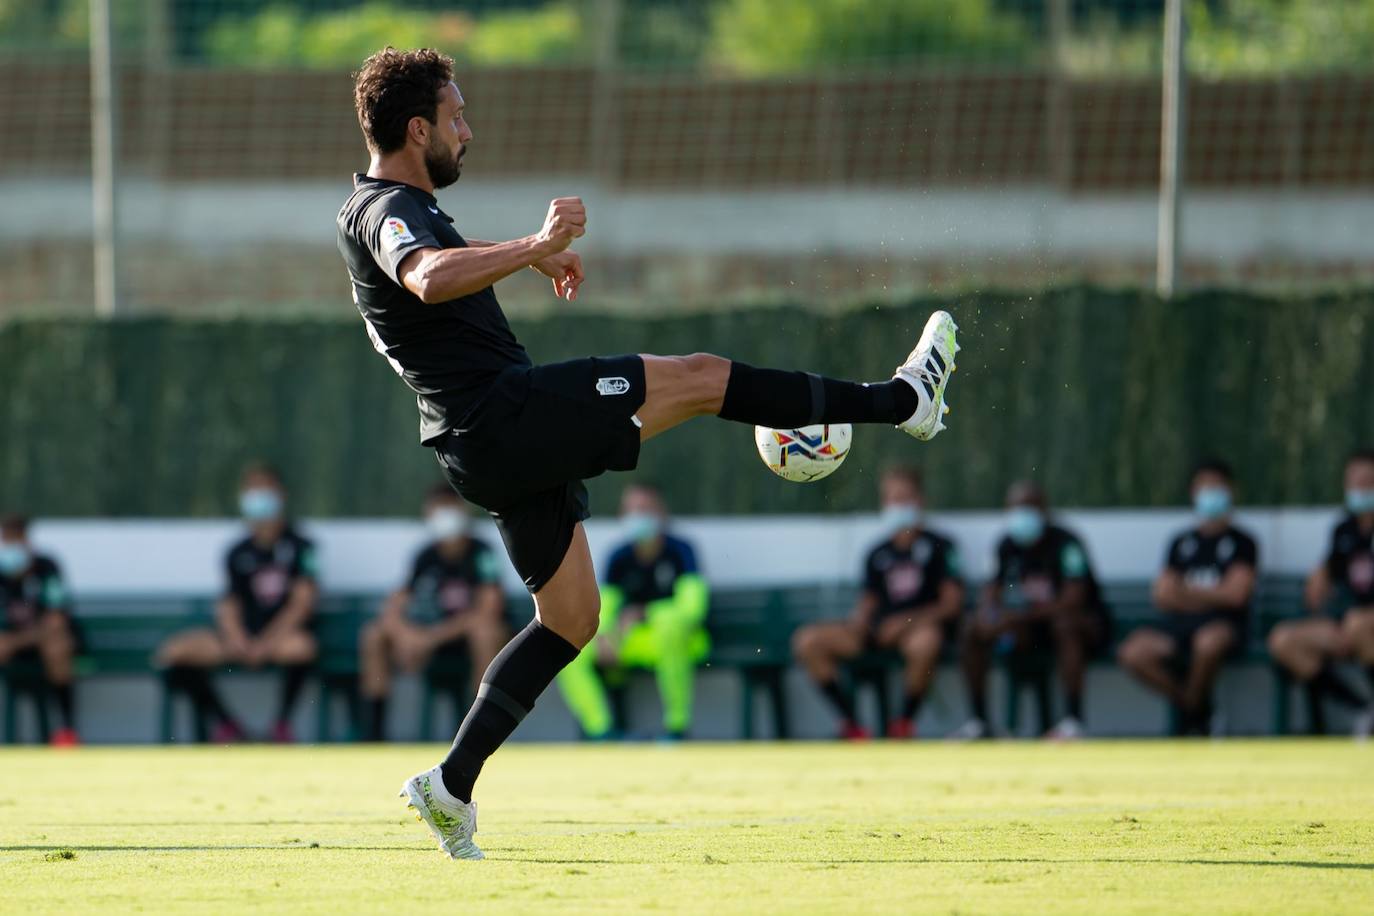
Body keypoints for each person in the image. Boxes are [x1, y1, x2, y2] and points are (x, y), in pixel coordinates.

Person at [337, 48, 958, 860]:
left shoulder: (392, 208)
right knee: (699, 377)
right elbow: (425, 275)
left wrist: (529, 255)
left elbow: (433, 257)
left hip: (479, 443)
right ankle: (903, 402)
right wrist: (535, 241)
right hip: (504, 416)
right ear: (418, 130)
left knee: (571, 619)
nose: (469, 131)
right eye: (457, 117)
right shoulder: (384, 208)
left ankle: (451, 785)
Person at [793, 467, 963, 740]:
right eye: (891, 499)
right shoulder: (877, 552)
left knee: (926, 643)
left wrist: (906, 622)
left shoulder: (941, 546)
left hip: (916, 630)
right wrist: (859, 621)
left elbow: (951, 605)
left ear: (919, 501)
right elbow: (868, 600)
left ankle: (903, 724)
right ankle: (852, 725)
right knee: (808, 641)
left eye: (904, 498)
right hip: (878, 630)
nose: (897, 506)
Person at [156, 465, 320, 743]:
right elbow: (228, 604)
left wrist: (265, 643)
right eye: (251, 490)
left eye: (264, 488)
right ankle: (226, 726)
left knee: (301, 648)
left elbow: (302, 604)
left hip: (280, 639)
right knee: (174, 653)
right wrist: (237, 639)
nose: (257, 496)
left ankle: (281, 726)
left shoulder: (303, 547)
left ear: (280, 494)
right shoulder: (236, 552)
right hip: (241, 639)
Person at [953, 482, 1108, 741]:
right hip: (1024, 629)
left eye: (1029, 507)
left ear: (1044, 510)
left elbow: (1073, 600)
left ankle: (1073, 721)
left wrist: (1018, 617)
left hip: (1077, 626)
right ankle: (978, 722)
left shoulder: (1066, 543)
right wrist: (990, 617)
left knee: (1065, 626)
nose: (1022, 514)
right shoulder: (1006, 545)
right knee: (972, 629)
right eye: (1016, 507)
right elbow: (991, 592)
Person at [556, 483, 709, 741]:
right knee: (568, 652)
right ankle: (601, 731)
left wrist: (644, 613)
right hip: (629, 639)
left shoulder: (682, 551)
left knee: (670, 626)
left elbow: (692, 609)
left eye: (645, 509)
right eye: (631, 510)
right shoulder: (619, 556)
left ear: (661, 512)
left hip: (682, 640)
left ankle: (677, 727)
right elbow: (605, 607)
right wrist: (605, 634)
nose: (638, 516)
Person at [1118, 459, 1258, 736]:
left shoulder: (1243, 542)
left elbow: (1236, 596)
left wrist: (1185, 592)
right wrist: (1213, 594)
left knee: (1207, 643)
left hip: (1224, 626)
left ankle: (1191, 715)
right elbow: (1162, 595)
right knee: (1133, 652)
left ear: (1230, 491)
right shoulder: (1180, 542)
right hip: (1179, 627)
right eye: (1203, 487)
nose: (1209, 494)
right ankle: (1195, 708)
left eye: (1216, 487)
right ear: (1193, 493)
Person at [359, 485, 507, 741]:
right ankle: (375, 732)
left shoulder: (482, 553)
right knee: (373, 635)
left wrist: (432, 637)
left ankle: (479, 731)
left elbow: (488, 610)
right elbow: (395, 604)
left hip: (462, 639)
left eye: (450, 508)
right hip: (427, 638)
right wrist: (405, 634)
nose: (444, 517)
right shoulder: (425, 556)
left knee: (485, 633)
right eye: (438, 509)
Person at [1267, 449, 1374, 737]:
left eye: (1367, 481)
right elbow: (1323, 584)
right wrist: (1319, 580)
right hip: (1347, 623)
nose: (1360, 489)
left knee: (1359, 624)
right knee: (1283, 640)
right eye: (1353, 482)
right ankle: (1363, 708)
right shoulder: (1343, 530)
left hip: (1363, 625)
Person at [0, 515, 81, 746]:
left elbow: (56, 620)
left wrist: (15, 641)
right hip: (13, 648)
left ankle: (66, 731)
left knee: (57, 647)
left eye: (14, 540)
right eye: (6, 541)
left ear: (26, 540)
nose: (9, 548)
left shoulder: (46, 568)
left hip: (43, 642)